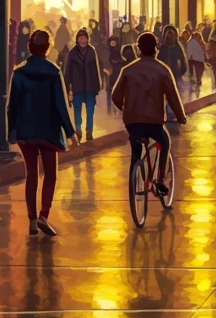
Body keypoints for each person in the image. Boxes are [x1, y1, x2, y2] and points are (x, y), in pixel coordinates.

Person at [6, 29, 77, 235]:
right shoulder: (54, 72)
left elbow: (12, 105)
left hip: (25, 131)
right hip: (48, 130)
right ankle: (44, 215)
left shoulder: (19, 72)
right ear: (47, 48)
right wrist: (71, 132)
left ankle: (31, 219)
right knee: (51, 174)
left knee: (31, 173)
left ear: (29, 46)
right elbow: (61, 105)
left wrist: (12, 131)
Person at [111, 31, 187, 196]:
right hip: (154, 122)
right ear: (155, 49)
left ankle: (133, 181)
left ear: (138, 50)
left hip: (132, 122)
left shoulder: (127, 70)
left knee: (136, 150)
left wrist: (126, 109)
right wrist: (181, 117)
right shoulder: (162, 70)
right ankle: (160, 180)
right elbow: (173, 97)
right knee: (164, 141)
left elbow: (115, 96)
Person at [63, 28, 102, 141]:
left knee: (90, 111)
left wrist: (97, 86)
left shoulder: (91, 51)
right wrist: (67, 85)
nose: (82, 40)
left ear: (87, 39)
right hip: (77, 86)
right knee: (77, 111)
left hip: (90, 86)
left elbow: (96, 69)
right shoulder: (72, 53)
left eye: (84, 38)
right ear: (77, 40)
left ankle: (89, 132)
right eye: (80, 38)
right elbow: (68, 70)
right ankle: (78, 131)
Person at [186, 28, 207, 92]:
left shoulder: (201, 43)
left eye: (198, 37)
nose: (197, 39)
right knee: (194, 72)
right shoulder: (191, 43)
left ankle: (198, 81)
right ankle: (195, 83)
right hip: (193, 61)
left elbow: (203, 52)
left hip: (199, 60)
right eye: (196, 37)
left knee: (200, 70)